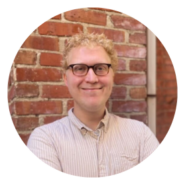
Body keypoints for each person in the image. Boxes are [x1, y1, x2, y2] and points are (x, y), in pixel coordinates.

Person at [27, 32, 159, 177]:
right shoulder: (44, 140)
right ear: (66, 79)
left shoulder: (141, 135)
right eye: (79, 68)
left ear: (112, 75)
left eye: (101, 68)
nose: (91, 78)